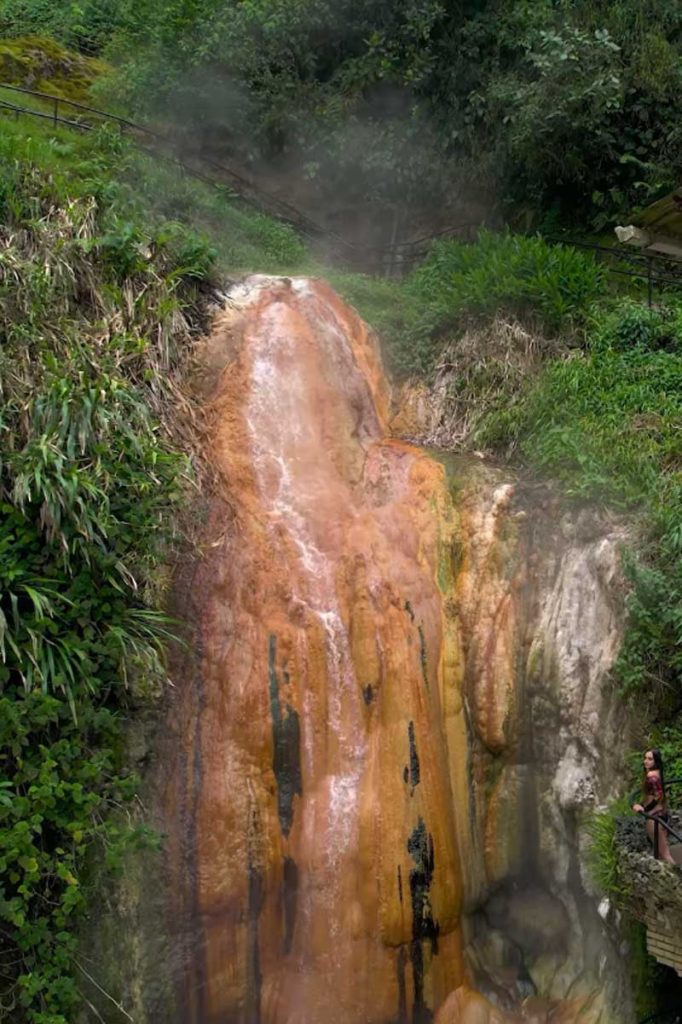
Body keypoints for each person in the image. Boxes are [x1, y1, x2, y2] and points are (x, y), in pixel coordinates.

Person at [632, 748, 675, 863]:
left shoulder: (652, 776)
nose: (646, 761)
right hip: (660, 814)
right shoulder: (657, 773)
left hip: (655, 817)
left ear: (656, 761)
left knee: (665, 855)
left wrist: (644, 808)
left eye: (650, 759)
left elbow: (658, 796)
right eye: (645, 758)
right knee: (662, 854)